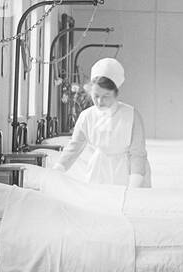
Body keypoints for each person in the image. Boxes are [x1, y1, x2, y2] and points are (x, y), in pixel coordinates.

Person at [52, 57, 151, 187]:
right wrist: (56, 172)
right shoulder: (87, 116)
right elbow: (74, 147)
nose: (99, 101)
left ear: (116, 93)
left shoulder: (131, 115)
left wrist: (134, 185)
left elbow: (138, 154)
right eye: (96, 96)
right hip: (99, 170)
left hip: (129, 172)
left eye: (106, 96)